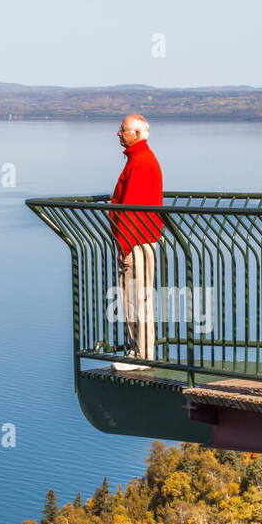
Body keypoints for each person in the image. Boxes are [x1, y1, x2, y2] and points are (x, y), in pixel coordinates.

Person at [109, 113, 163, 371]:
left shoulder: (140, 162)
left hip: (137, 242)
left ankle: (142, 355)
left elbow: (131, 211)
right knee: (133, 297)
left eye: (122, 130)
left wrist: (125, 248)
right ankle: (137, 351)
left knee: (137, 297)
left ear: (137, 135)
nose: (118, 134)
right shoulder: (138, 159)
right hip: (139, 239)